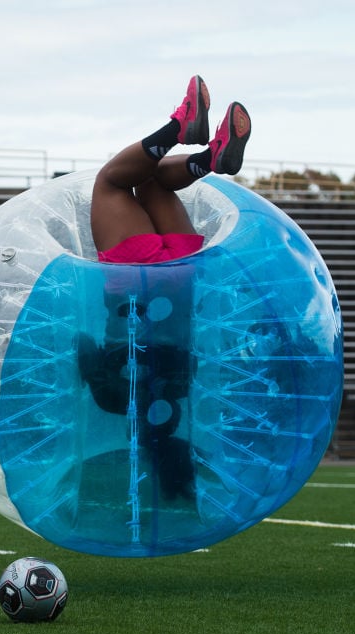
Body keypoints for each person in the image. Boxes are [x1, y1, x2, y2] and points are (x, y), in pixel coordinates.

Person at [81, 77, 251, 501]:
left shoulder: (179, 384)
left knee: (153, 181)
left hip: (183, 280)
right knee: (111, 183)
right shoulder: (112, 399)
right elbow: (86, 350)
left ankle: (211, 156)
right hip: (135, 282)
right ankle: (180, 127)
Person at [91, 74, 250, 263]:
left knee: (147, 174)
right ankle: (193, 144)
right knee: (110, 181)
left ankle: (203, 151)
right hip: (174, 258)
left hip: (178, 273)